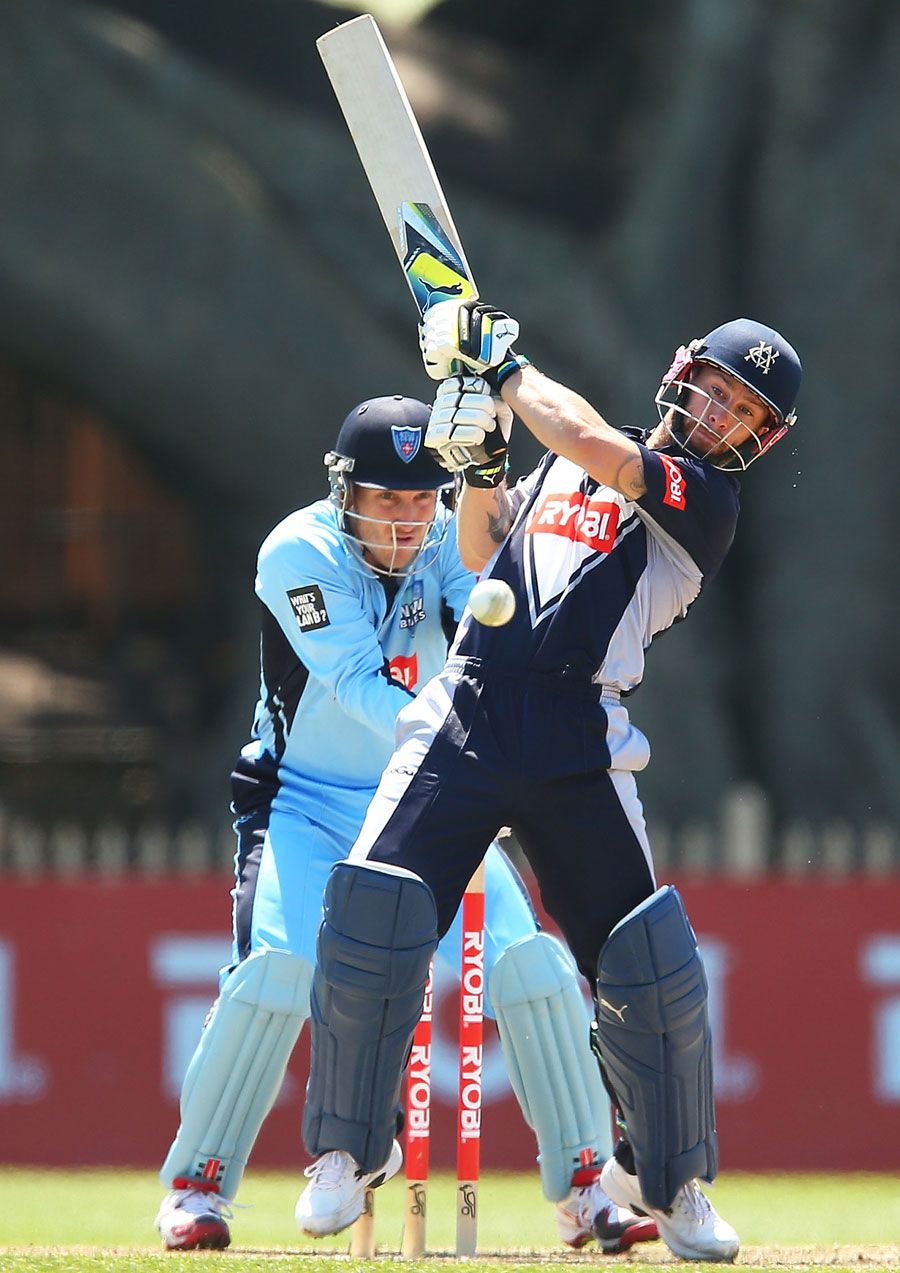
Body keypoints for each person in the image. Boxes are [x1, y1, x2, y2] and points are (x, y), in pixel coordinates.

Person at [295, 309, 802, 1263]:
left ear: (758, 438)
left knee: (649, 971)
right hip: (468, 712)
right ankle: (344, 1154)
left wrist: (504, 367)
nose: (720, 412)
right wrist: (483, 466)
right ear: (682, 372)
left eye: (744, 409)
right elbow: (485, 553)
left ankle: (670, 1182)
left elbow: (584, 437)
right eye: (719, 388)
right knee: (374, 918)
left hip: (582, 735)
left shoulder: (700, 500)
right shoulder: (568, 462)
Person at [154, 393, 657, 1254]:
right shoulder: (298, 551)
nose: (407, 517)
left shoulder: (449, 543)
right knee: (278, 966)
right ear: (345, 490)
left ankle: (585, 1190)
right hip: (306, 799)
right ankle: (197, 1185)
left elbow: (498, 628)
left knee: (530, 962)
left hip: (430, 792)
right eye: (387, 498)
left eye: (422, 497)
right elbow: (356, 685)